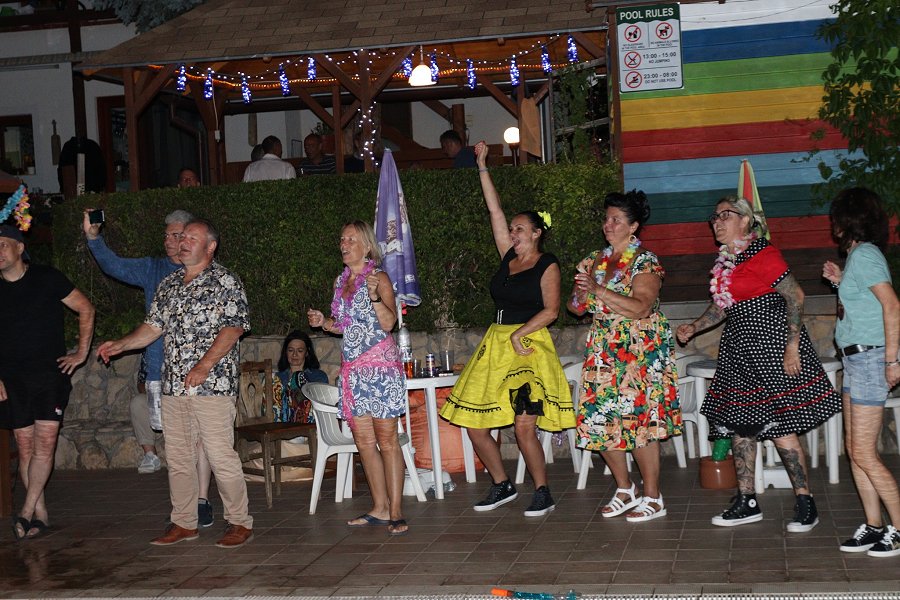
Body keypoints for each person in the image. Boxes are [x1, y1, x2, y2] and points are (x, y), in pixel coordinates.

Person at [676, 196, 841, 531]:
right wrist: (694, 326)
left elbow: (795, 295)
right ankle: (747, 500)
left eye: (725, 215)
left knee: (781, 426)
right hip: (739, 350)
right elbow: (723, 306)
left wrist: (792, 347)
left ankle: (805, 501)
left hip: (771, 346)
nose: (717, 222)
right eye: (714, 217)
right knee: (740, 425)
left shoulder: (761, 253)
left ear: (746, 220)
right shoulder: (727, 261)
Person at [97, 218, 254, 548]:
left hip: (212, 386)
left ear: (210, 247)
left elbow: (234, 328)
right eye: (182, 237)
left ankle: (239, 521)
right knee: (179, 458)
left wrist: (204, 365)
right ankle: (184, 522)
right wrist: (121, 344)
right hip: (173, 387)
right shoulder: (169, 284)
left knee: (220, 455)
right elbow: (152, 327)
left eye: (192, 238)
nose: (183, 242)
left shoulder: (225, 280)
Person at [438, 141, 574, 516]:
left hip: (528, 345)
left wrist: (518, 333)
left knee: (524, 425)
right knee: (474, 425)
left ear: (536, 233)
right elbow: (494, 210)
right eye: (511, 229)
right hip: (496, 344)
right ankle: (502, 484)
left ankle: (542, 490)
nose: (513, 233)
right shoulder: (508, 256)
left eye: (520, 228)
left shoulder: (547, 263)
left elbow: (551, 310)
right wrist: (482, 165)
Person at [82, 209, 216, 529]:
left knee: (200, 439)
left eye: (177, 235)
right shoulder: (153, 269)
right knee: (177, 442)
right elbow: (114, 265)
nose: (170, 241)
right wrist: (93, 238)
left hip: (199, 372)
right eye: (167, 235)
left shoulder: (209, 275)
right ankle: (184, 505)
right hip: (161, 372)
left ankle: (201, 500)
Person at [568, 190, 682, 523]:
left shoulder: (645, 261)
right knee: (598, 418)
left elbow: (641, 306)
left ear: (633, 227)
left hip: (638, 351)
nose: (608, 224)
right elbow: (576, 308)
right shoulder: (593, 260)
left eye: (616, 219)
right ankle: (625, 488)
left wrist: (598, 290)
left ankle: (653, 496)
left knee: (639, 424)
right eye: (606, 218)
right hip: (603, 349)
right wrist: (579, 297)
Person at [307, 221, 408, 535]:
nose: (344, 244)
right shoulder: (340, 281)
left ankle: (396, 511)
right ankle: (379, 508)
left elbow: (389, 323)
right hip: (353, 371)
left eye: (351, 239)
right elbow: (344, 325)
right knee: (364, 442)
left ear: (366, 246)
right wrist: (324, 323)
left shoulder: (379, 278)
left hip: (381, 369)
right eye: (342, 238)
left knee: (387, 441)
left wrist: (375, 296)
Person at [0, 224, 95, 540]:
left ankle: (26, 512)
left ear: (19, 248)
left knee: (45, 443)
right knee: (25, 446)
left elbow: (85, 307)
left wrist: (81, 352)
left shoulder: (47, 278)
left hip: (48, 376)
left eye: (3, 244)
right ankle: (40, 514)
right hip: (12, 379)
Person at [823, 188, 900, 557]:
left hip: (871, 359)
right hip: (855, 360)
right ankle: (873, 525)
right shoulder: (857, 256)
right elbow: (865, 303)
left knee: (865, 453)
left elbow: (892, 306)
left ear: (847, 219)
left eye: (836, 217)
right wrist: (842, 281)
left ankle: (898, 528)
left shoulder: (866, 254)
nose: (832, 224)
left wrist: (892, 360)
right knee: (854, 450)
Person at [273, 330, 329, 423]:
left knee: (298, 377)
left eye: (300, 351)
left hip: (309, 423)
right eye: (291, 350)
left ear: (306, 352)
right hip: (281, 423)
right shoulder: (277, 378)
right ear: (286, 352)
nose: (294, 354)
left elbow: (321, 405)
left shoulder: (318, 376)